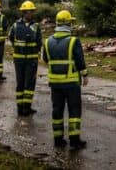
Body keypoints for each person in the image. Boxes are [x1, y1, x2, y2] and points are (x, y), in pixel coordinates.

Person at [41, 10, 88, 149]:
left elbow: (45, 59)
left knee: (57, 110)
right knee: (74, 110)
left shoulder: (48, 41)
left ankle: (58, 140)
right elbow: (80, 60)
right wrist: (84, 74)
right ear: (68, 24)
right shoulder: (73, 41)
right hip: (71, 82)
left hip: (55, 83)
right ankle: (74, 141)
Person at [8, 0, 41, 116]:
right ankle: (19, 107)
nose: (31, 14)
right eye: (28, 12)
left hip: (31, 60)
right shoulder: (16, 25)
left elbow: (39, 43)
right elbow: (11, 37)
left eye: (32, 11)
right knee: (20, 83)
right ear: (23, 12)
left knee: (29, 84)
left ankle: (27, 108)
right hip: (19, 60)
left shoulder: (36, 26)